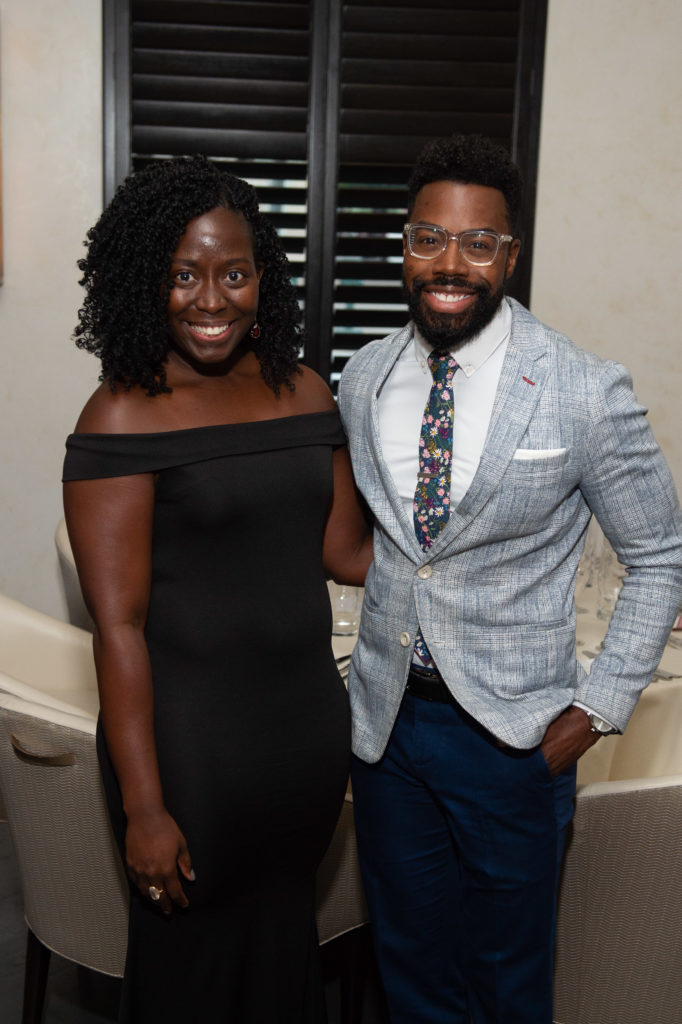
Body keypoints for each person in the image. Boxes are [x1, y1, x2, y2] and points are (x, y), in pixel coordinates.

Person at [337, 133, 682, 1023]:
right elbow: (388, 547)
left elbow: (658, 557)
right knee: (409, 970)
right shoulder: (364, 377)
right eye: (429, 238)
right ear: (404, 244)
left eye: (478, 242)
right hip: (385, 734)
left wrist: (594, 711)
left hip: (511, 743)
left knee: (507, 985)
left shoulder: (581, 389)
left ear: (510, 254)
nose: (451, 264)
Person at [63, 155, 372, 1024]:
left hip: (302, 741)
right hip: (189, 752)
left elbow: (348, 554)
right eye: (183, 276)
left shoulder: (303, 389)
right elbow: (117, 626)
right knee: (189, 970)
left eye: (233, 274)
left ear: (261, 278)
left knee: (281, 952)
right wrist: (145, 806)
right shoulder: (121, 414)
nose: (211, 300)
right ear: (144, 282)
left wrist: (483, 545)